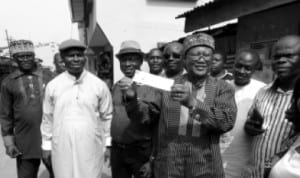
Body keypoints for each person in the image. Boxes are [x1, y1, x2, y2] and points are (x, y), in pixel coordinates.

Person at [127, 33, 236, 177]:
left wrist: (193, 103)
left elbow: (226, 122)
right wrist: (132, 101)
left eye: (206, 55)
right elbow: (147, 117)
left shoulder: (223, 88)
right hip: (169, 166)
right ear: (185, 59)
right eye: (196, 55)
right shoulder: (169, 85)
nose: (201, 59)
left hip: (205, 166)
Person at [41, 39, 113, 178]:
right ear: (63, 58)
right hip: (62, 146)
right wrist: (46, 146)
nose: (76, 59)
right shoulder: (53, 86)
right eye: (70, 55)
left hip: (91, 145)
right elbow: (47, 118)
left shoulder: (98, 85)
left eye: (79, 55)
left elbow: (107, 116)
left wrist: (108, 145)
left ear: (84, 57)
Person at [244, 35, 300, 178]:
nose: (281, 60)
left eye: (288, 56)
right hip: (255, 173)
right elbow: (251, 122)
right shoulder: (262, 91)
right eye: (276, 57)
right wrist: (249, 127)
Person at [0, 40, 52, 178]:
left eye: (28, 55)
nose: (25, 59)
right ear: (15, 58)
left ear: (33, 55)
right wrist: (9, 143)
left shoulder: (48, 76)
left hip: (51, 137)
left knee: (59, 173)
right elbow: (5, 115)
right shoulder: (8, 82)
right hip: (25, 140)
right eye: (21, 56)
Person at [110, 40, 160, 178]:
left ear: (141, 61)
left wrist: (152, 159)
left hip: (141, 151)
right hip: (118, 150)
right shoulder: (117, 85)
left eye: (132, 59)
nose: (127, 64)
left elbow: (155, 123)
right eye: (124, 60)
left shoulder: (152, 84)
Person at [220, 49, 265, 178]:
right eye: (238, 66)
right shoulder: (222, 87)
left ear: (255, 69)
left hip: (243, 159)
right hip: (217, 156)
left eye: (247, 68)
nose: (241, 71)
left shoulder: (261, 91)